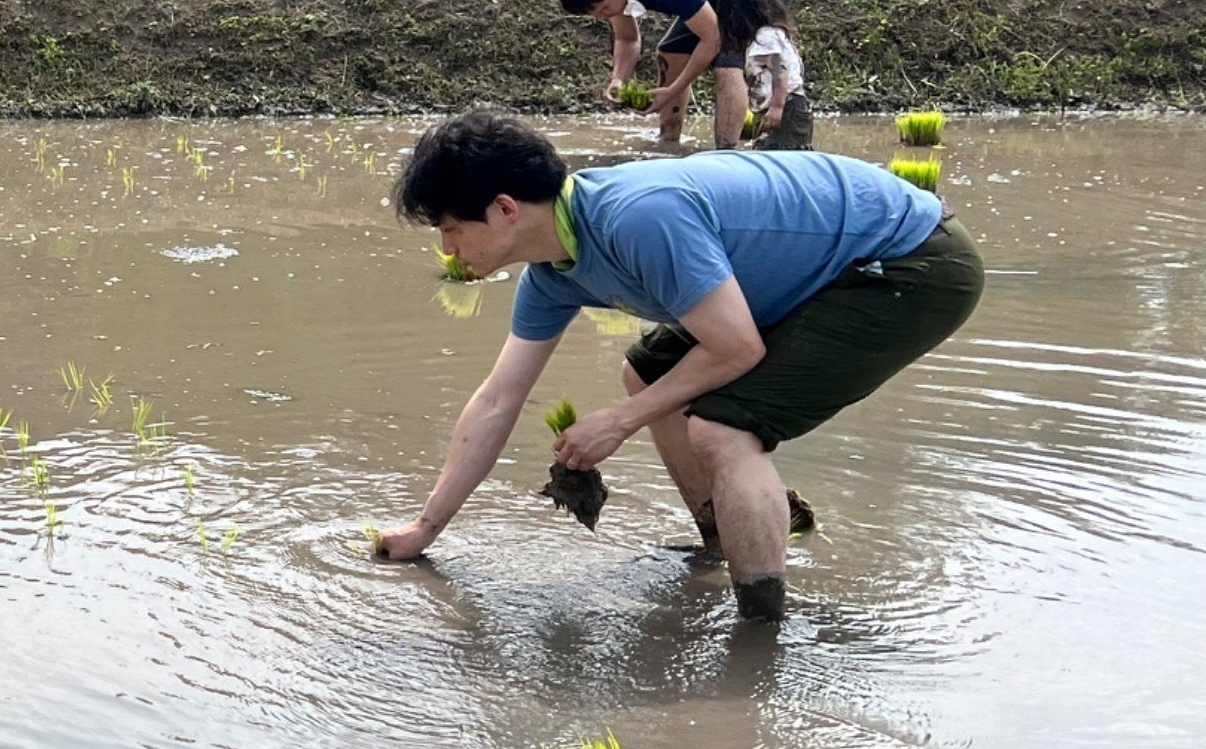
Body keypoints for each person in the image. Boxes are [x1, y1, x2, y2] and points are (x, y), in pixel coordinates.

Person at [372, 110, 982, 619]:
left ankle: (760, 628)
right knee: (648, 375)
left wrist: (619, 422)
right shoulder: (553, 274)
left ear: (506, 209)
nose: (448, 249)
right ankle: (722, 540)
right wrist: (425, 530)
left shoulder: (639, 217)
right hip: (809, 275)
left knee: (722, 429)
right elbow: (497, 400)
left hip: (908, 261)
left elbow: (738, 349)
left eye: (452, 229)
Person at [558, 0, 796, 150]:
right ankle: (669, 141)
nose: (601, 17)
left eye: (601, 10)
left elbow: (712, 39)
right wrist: (618, 80)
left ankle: (727, 152)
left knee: (727, 61)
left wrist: (672, 90)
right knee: (671, 51)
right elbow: (627, 39)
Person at [715, 0, 810, 151]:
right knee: (769, 151)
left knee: (781, 153)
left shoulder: (766, 37)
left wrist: (776, 108)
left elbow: (780, 70)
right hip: (780, 106)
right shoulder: (768, 36)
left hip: (786, 107)